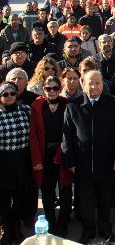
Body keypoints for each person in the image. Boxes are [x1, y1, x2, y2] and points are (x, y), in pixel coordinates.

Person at [61, 71, 115, 244]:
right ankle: (88, 231)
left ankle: (105, 230)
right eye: (90, 83)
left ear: (103, 84)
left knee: (105, 199)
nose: (94, 87)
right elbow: (66, 137)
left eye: (97, 83)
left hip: (107, 163)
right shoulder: (73, 106)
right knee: (85, 202)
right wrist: (71, 162)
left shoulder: (114, 104)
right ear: (83, 84)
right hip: (82, 164)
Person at [28, 76, 72, 237]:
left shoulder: (67, 105)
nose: (51, 91)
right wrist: (37, 160)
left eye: (55, 88)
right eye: (48, 88)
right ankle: (51, 224)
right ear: (43, 90)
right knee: (47, 192)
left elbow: (70, 132)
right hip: (44, 154)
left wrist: (61, 153)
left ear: (60, 89)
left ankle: (63, 222)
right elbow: (33, 135)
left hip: (63, 153)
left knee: (65, 191)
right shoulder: (37, 106)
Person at [0, 82, 33, 245]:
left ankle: (16, 225)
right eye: (5, 94)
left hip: (23, 159)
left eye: (12, 93)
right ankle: (6, 227)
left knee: (20, 197)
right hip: (3, 161)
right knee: (4, 198)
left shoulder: (26, 110)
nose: (9, 97)